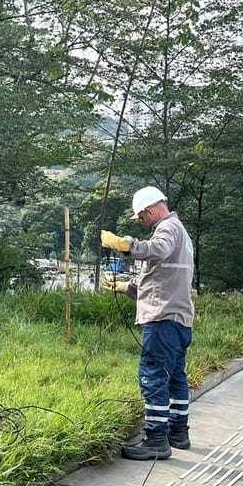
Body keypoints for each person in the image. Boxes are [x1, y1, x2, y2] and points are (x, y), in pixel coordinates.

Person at [100, 186, 195, 460]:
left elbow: (158, 250)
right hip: (179, 319)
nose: (142, 222)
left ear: (150, 211)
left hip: (163, 320)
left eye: (141, 217)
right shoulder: (182, 234)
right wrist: (126, 287)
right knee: (175, 377)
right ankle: (178, 432)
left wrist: (126, 244)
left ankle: (156, 439)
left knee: (153, 376)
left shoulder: (167, 230)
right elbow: (161, 281)